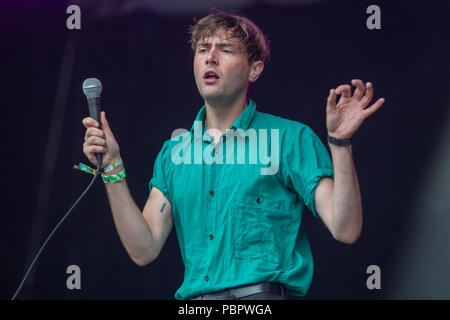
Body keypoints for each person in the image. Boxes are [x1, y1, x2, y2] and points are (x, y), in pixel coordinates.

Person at [82, 10, 385, 300]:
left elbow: (345, 229)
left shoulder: (290, 138)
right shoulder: (174, 152)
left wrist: (339, 142)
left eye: (225, 49)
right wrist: (112, 168)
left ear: (254, 68)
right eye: (203, 49)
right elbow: (144, 249)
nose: (210, 57)